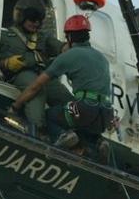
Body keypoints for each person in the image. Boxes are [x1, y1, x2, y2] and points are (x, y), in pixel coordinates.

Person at [11, 14, 112, 152]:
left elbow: (36, 86)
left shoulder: (69, 56)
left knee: (50, 116)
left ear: (69, 37)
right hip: (106, 115)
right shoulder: (102, 58)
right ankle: (97, 142)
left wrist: (16, 106)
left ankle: (63, 135)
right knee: (82, 123)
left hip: (84, 109)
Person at [0, 5, 69, 135]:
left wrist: (72, 42)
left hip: (43, 74)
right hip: (21, 74)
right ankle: (37, 130)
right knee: (36, 90)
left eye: (38, 21)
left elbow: (61, 48)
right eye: (32, 20)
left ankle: (74, 135)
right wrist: (6, 63)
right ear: (23, 19)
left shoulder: (43, 37)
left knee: (66, 98)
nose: (35, 23)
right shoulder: (4, 36)